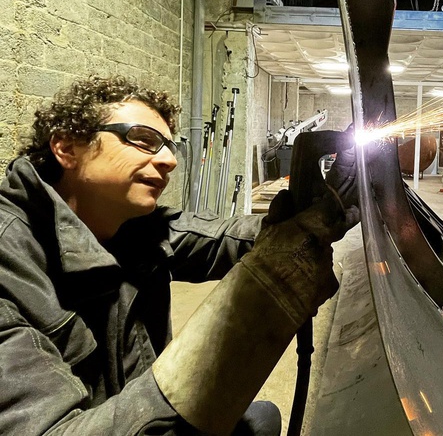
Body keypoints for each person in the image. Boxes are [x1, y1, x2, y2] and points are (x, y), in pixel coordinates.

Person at [0, 75, 359, 435]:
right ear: (67, 147)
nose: (170, 161)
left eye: (170, 147)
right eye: (144, 140)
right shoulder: (10, 262)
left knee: (261, 418)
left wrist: (315, 209)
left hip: (130, 413)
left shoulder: (131, 226)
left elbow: (222, 238)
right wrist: (268, 291)